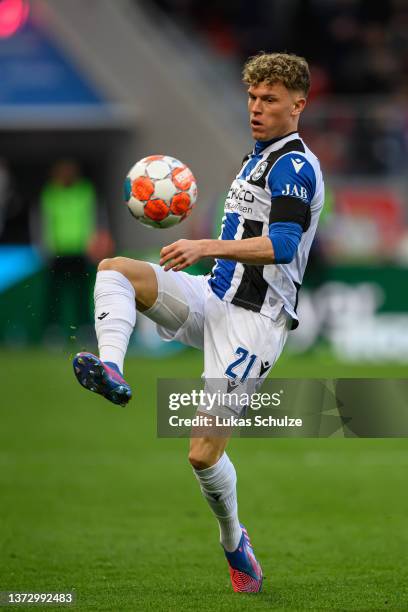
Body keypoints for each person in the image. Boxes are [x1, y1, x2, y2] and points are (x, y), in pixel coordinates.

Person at [73, 52, 324, 593]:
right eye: (252, 98)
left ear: (298, 104)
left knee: (202, 452)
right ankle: (111, 369)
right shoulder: (256, 157)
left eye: (270, 100)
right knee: (115, 272)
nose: (256, 108)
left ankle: (235, 542)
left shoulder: (294, 166)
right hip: (213, 296)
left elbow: (282, 246)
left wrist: (205, 243)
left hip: (254, 324)